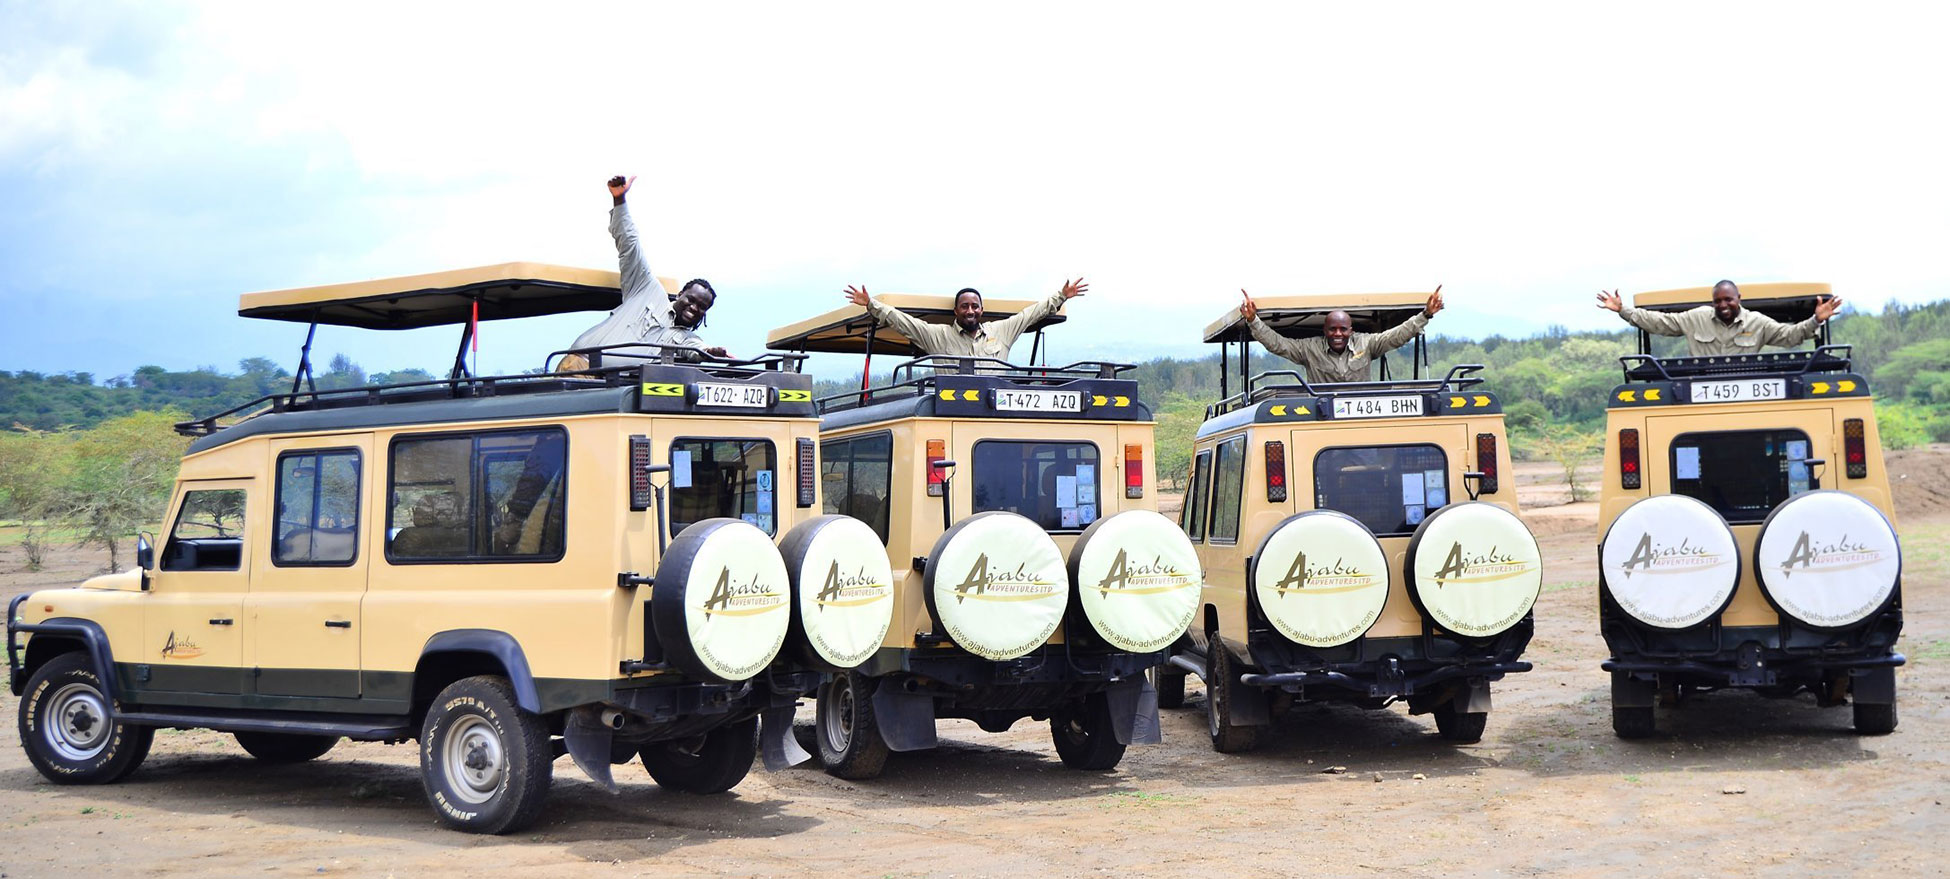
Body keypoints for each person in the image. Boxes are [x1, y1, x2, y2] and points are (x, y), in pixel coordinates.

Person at [563, 175, 727, 369]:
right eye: (691, 300)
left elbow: (697, 350)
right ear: (680, 294)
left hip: (619, 387)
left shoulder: (683, 339)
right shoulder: (647, 289)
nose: (694, 308)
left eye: (702, 307)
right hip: (581, 367)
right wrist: (619, 200)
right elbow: (629, 244)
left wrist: (710, 353)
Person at [841, 279, 1088, 364]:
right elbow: (902, 321)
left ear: (981, 310)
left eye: (974, 306)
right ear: (956, 312)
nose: (970, 311)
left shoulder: (1000, 331)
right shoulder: (936, 335)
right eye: (964, 306)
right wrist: (871, 303)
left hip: (995, 408)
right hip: (952, 407)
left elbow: (1031, 314)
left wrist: (1062, 296)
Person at [1239, 286, 1444, 383]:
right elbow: (1278, 344)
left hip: (1360, 417)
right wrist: (1253, 320)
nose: (1338, 333)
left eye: (1343, 329)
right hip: (1320, 418)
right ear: (1325, 331)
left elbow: (1397, 335)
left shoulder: (1367, 343)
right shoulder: (1309, 349)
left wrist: (1425, 314)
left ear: (1350, 331)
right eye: (1332, 329)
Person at [1595, 280, 1844, 356]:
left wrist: (1816, 320)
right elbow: (1659, 322)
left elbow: (1790, 336)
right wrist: (1623, 310)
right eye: (1718, 301)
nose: (1723, 305)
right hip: (1699, 392)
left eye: (1728, 300)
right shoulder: (1697, 317)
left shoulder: (1758, 322)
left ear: (1739, 298)